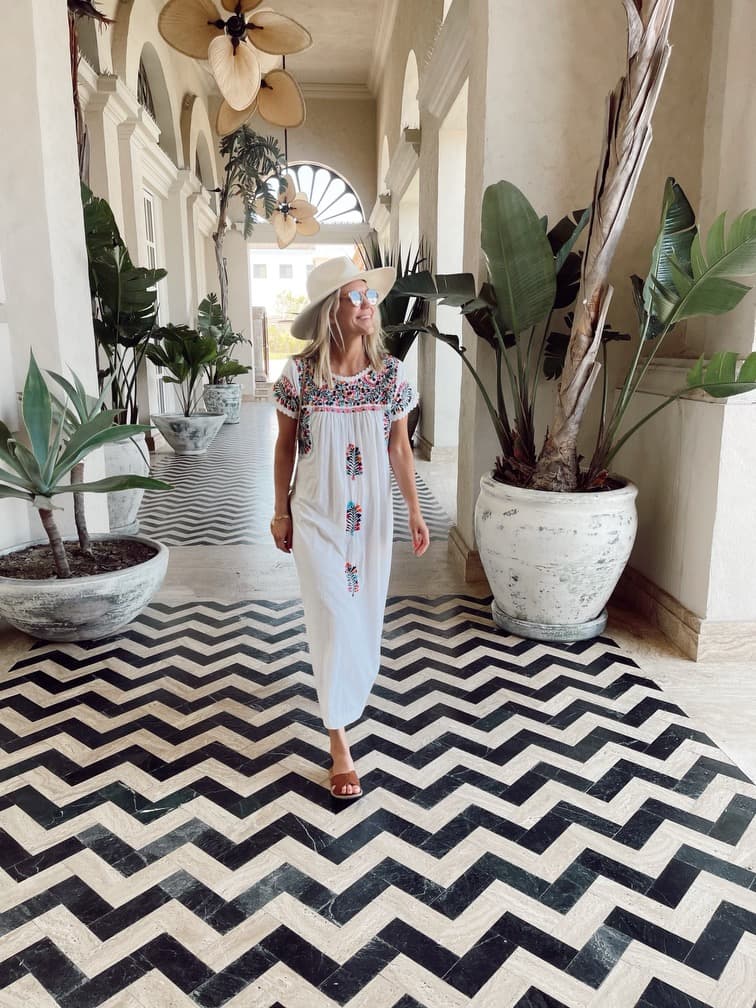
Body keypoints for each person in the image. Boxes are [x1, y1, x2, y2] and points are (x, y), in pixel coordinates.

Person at [271, 256, 430, 800]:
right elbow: (285, 447)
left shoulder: (390, 376)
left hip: (371, 518)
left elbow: (400, 448)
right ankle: (339, 742)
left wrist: (414, 509)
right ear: (330, 311)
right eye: (355, 297)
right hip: (316, 514)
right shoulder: (299, 376)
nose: (367, 306)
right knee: (334, 620)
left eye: (370, 297)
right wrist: (280, 510)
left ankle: (343, 702)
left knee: (361, 619)